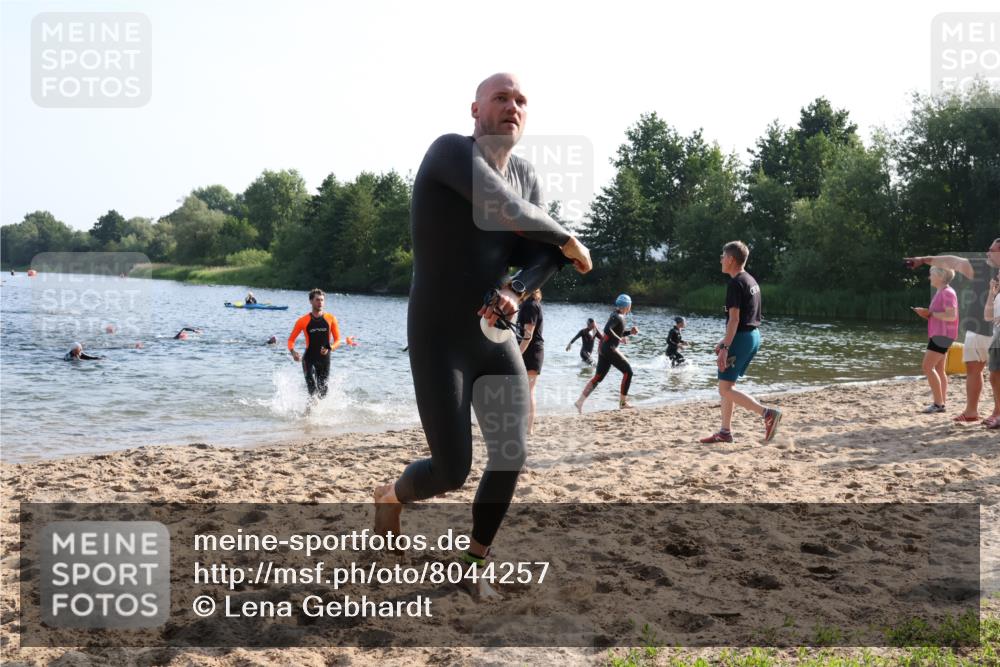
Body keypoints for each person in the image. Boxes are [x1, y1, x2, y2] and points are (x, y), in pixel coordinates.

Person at [371, 73, 592, 580]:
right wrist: (569, 239)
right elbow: (506, 211)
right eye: (500, 98)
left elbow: (544, 258)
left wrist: (517, 290)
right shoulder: (450, 153)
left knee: (511, 453)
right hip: (438, 335)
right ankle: (391, 495)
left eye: (520, 101)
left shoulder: (528, 176)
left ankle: (474, 562)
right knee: (451, 470)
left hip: (493, 338)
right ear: (476, 110)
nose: (511, 106)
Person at [906, 238, 1000, 423]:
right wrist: (924, 259)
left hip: (996, 330)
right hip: (976, 328)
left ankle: (997, 413)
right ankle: (971, 411)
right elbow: (953, 261)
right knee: (973, 368)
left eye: (992, 250)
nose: (987, 253)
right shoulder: (981, 268)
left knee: (996, 374)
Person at [700, 241, 782, 444]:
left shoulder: (735, 283)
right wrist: (724, 341)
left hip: (742, 338)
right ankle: (725, 432)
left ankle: (767, 414)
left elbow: (735, 319)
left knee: (725, 389)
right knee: (728, 385)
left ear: (730, 259)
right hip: (752, 335)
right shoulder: (750, 280)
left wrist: (725, 347)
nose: (720, 259)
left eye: (722, 256)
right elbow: (745, 318)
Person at [574, 294, 638, 412]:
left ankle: (579, 402)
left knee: (598, 377)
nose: (630, 307)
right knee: (628, 372)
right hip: (609, 349)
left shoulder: (616, 315)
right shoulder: (617, 316)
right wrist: (619, 339)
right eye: (630, 305)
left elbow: (616, 332)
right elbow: (607, 330)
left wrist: (629, 333)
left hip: (604, 349)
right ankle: (623, 403)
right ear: (627, 305)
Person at [911, 267, 958, 413]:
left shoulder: (948, 293)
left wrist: (930, 313)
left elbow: (951, 316)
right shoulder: (941, 292)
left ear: (940, 276)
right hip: (939, 334)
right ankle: (941, 402)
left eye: (931, 274)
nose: (929, 277)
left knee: (927, 367)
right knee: (938, 369)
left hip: (942, 336)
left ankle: (938, 404)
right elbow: (938, 315)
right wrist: (925, 314)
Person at [287, 288, 342, 400]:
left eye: (322, 300)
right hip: (309, 358)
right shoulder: (302, 321)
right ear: (311, 301)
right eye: (317, 300)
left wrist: (329, 347)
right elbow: (291, 340)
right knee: (312, 389)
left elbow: (338, 340)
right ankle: (308, 414)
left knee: (323, 392)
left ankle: (317, 413)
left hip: (324, 359)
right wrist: (293, 352)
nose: (320, 302)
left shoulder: (331, 319)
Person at [518, 289, 544, 435]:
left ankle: (529, 429)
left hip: (532, 352)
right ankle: (525, 426)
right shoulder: (527, 304)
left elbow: (528, 334)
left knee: (529, 391)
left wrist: (517, 354)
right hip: (531, 351)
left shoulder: (530, 305)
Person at [983, 273, 1000, 429]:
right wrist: (991, 292)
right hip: (997, 339)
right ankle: (998, 412)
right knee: (994, 376)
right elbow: (988, 316)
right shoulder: (997, 295)